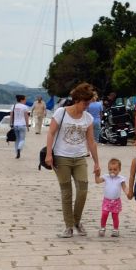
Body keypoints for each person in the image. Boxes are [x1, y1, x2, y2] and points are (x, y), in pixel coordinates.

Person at [45, 83, 102, 238]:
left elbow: (91, 142)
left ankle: (76, 221)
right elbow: (51, 133)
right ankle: (68, 226)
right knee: (66, 193)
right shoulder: (61, 112)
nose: (87, 106)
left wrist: (97, 163)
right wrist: (49, 154)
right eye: (85, 103)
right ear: (77, 100)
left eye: (89, 103)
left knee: (83, 191)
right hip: (61, 157)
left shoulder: (88, 118)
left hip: (80, 157)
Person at [98, 159, 127, 237]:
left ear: (119, 169)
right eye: (110, 169)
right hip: (107, 200)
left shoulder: (121, 179)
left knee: (115, 216)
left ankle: (115, 229)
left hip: (116, 201)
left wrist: (128, 193)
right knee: (104, 214)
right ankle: (102, 228)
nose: (112, 171)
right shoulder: (106, 177)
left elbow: (124, 188)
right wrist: (97, 174)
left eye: (115, 169)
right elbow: (97, 181)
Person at [10, 94, 29, 159]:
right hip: (22, 124)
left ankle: (17, 153)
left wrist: (11, 124)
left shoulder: (13, 106)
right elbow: (26, 117)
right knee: (22, 139)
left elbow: (11, 116)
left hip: (15, 125)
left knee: (17, 139)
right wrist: (27, 125)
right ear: (22, 100)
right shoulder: (25, 107)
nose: (26, 101)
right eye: (25, 99)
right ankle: (19, 149)